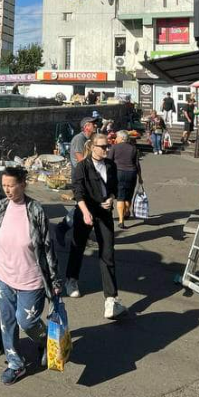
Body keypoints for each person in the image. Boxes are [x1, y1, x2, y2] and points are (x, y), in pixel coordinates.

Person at [0, 165, 62, 385]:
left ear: (23, 184)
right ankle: (15, 364)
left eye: (11, 185)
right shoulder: (1, 207)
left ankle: (44, 340)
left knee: (27, 321)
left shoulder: (35, 210)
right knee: (7, 322)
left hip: (31, 279)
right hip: (3, 275)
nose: (7, 190)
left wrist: (54, 280)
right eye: (4, 185)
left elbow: (47, 247)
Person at [65, 134, 128, 319]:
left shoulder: (110, 165)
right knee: (78, 247)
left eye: (108, 146)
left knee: (107, 253)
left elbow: (115, 188)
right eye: (103, 147)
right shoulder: (82, 167)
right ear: (92, 147)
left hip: (104, 213)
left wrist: (111, 198)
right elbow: (78, 192)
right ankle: (71, 280)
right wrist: (85, 212)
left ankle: (111, 299)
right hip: (86, 211)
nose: (107, 149)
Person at [55, 117, 97, 246]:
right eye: (93, 124)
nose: (96, 126)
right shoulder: (79, 139)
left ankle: (84, 232)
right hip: (80, 178)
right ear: (86, 127)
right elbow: (81, 161)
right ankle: (63, 228)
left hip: (88, 177)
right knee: (82, 206)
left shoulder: (88, 140)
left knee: (88, 206)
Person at [108, 131, 142, 228]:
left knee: (120, 196)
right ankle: (127, 211)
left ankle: (121, 220)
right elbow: (137, 164)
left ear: (122, 138)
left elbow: (109, 161)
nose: (116, 139)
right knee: (128, 195)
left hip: (119, 173)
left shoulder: (114, 147)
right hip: (132, 173)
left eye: (117, 137)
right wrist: (140, 177)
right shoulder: (133, 148)